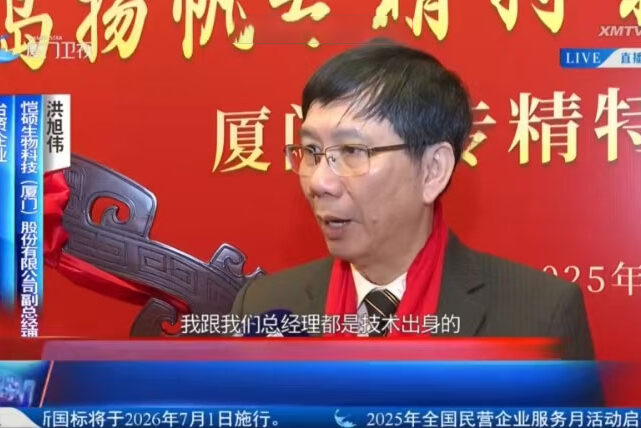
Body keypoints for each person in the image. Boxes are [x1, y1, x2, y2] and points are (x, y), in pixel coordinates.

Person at [230, 39, 594, 359]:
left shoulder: (539, 316)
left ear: (433, 170)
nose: (319, 181)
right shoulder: (263, 307)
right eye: (311, 151)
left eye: (352, 151)